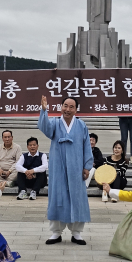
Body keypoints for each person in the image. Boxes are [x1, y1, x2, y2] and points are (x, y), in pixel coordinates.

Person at [38, 95, 93, 245]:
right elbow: (44, 128)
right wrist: (44, 110)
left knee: (77, 197)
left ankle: (77, 233)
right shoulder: (55, 123)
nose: (67, 109)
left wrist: (87, 166)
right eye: (65, 106)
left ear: (76, 109)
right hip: (58, 167)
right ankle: (56, 232)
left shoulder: (81, 125)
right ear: (61, 107)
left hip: (76, 168)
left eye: (71, 107)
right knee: (58, 196)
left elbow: (87, 146)